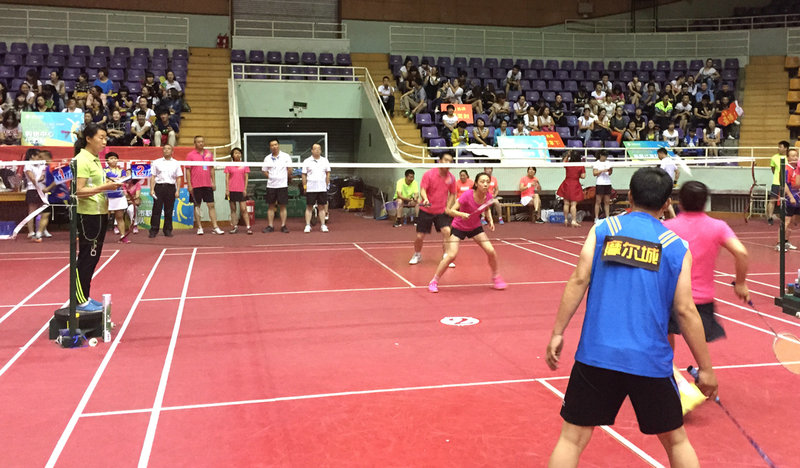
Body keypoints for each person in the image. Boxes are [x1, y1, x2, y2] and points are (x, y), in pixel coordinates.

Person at [545, 167, 718, 468]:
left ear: (629, 195)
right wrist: (706, 368)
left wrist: (558, 332)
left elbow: (579, 280)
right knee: (676, 441)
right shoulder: (676, 246)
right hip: (649, 360)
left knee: (571, 439)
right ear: (666, 204)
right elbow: (685, 310)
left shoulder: (603, 230)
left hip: (597, 355)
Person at [664, 181, 750, 350]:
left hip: (671, 297)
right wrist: (740, 283)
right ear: (705, 203)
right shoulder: (718, 226)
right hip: (702, 300)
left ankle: (669, 365)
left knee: (665, 336)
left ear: (680, 202)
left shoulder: (666, 227)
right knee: (699, 346)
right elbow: (742, 253)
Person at [428, 172, 507, 293]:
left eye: (487, 181)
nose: (485, 184)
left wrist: (490, 219)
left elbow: (486, 208)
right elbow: (450, 211)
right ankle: (434, 281)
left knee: (491, 251)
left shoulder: (488, 196)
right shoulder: (467, 195)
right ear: (476, 183)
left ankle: (496, 277)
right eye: (482, 181)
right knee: (451, 255)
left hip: (475, 227)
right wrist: (461, 214)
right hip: (459, 227)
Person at [73, 124, 123, 311]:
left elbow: (94, 185)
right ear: (88, 139)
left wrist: (109, 183)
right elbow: (78, 191)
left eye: (105, 138)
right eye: (100, 137)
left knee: (93, 258)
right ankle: (79, 300)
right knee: (87, 257)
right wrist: (105, 187)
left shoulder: (95, 159)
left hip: (100, 212)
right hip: (88, 215)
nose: (104, 141)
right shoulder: (81, 160)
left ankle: (84, 296)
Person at [409, 152, 457, 267]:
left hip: (441, 211)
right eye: (446, 160)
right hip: (426, 210)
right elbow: (423, 189)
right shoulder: (429, 174)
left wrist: (448, 207)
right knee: (420, 236)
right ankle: (417, 254)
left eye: (450, 161)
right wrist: (425, 199)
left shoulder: (451, 178)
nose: (448, 163)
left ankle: (446, 255)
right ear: (439, 161)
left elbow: (452, 193)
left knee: (447, 231)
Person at [186, 135, 224, 235]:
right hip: (196, 185)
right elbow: (188, 171)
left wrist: (213, 182)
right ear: (195, 143)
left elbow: (211, 168)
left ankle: (215, 227)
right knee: (197, 206)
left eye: (202, 141)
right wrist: (189, 185)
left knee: (211, 205)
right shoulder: (190, 155)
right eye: (198, 142)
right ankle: (199, 227)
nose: (201, 143)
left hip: (207, 184)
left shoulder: (209, 154)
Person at [148, 144, 183, 238]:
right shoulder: (156, 162)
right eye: (165, 149)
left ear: (172, 151)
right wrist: (152, 189)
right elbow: (153, 176)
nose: (166, 150)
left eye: (169, 149)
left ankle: (167, 230)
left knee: (169, 210)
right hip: (159, 187)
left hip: (170, 188)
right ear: (162, 151)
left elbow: (178, 178)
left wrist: (178, 190)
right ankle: (153, 230)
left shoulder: (176, 163)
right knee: (156, 209)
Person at [261, 138, 293, 233]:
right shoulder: (267, 158)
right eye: (272, 145)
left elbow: (290, 169)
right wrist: (271, 177)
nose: (274, 147)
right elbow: (264, 170)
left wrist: (284, 178)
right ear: (270, 147)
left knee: (282, 206)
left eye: (275, 144)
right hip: (271, 185)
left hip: (282, 185)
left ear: (278, 145)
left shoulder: (286, 156)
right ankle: (270, 226)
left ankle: (283, 226)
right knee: (271, 206)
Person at [302, 143, 331, 233]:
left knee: (321, 207)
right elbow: (304, 174)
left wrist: (327, 184)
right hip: (311, 188)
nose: (317, 150)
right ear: (312, 150)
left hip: (322, 188)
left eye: (319, 149)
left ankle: (323, 225)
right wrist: (305, 186)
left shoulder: (325, 160)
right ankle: (307, 225)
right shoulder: (307, 161)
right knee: (309, 207)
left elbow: (328, 173)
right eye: (315, 149)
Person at [223, 147, 251, 234]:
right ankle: (234, 227)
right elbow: (227, 178)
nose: (237, 155)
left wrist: (245, 189)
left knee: (243, 209)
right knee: (233, 209)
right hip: (231, 190)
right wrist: (227, 189)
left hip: (241, 190)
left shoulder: (244, 165)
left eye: (239, 153)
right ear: (232, 155)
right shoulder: (229, 165)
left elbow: (246, 178)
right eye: (235, 153)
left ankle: (248, 227)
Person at [104, 153, 130, 243]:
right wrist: (113, 180)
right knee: (104, 218)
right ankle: (98, 237)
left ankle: (122, 237)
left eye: (115, 158)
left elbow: (124, 181)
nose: (114, 160)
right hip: (107, 196)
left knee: (119, 217)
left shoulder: (122, 171)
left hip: (119, 196)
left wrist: (115, 180)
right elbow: (104, 181)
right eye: (111, 158)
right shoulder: (104, 171)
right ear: (107, 161)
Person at [557, 151, 586, 227]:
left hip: (566, 183)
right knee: (573, 204)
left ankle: (566, 219)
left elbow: (563, 162)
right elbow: (583, 176)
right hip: (575, 184)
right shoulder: (581, 165)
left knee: (566, 203)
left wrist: (567, 155)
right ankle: (573, 220)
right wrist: (577, 175)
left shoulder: (568, 164)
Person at [778, 148, 800, 251]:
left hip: (797, 198)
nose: (795, 157)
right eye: (792, 156)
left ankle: (786, 241)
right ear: (788, 158)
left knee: (793, 221)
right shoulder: (786, 169)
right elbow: (784, 184)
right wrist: (790, 196)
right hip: (788, 198)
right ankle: (779, 243)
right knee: (786, 221)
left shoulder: (797, 169)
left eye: (796, 155)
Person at [23, 150, 46, 240]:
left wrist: (44, 177)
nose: (40, 158)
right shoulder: (27, 165)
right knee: (32, 212)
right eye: (38, 156)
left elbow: (45, 174)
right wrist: (38, 180)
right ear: (32, 156)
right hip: (32, 189)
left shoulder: (42, 164)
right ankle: (31, 232)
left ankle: (40, 231)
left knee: (42, 211)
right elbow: (32, 178)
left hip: (42, 189)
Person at [768, 141, 790, 225]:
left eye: (780, 147)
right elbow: (773, 169)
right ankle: (770, 217)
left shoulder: (789, 158)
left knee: (787, 200)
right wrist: (778, 177)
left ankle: (787, 217)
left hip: (787, 183)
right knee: (772, 200)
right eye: (779, 146)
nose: (778, 148)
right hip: (776, 182)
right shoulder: (774, 157)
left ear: (785, 148)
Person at [657, 147, 679, 219]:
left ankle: (673, 216)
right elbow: (677, 172)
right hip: (670, 183)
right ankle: (662, 215)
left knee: (663, 199)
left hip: (664, 183)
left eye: (658, 155)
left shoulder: (664, 161)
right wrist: (675, 182)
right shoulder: (671, 160)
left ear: (661, 153)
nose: (658, 157)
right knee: (663, 199)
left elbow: (661, 172)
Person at [592, 150, 613, 222]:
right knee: (598, 201)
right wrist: (602, 170)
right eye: (604, 156)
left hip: (607, 183)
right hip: (600, 183)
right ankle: (596, 217)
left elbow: (610, 173)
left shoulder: (608, 163)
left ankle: (607, 217)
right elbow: (594, 173)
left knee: (607, 201)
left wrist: (609, 170)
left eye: (606, 156)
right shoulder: (596, 163)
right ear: (601, 155)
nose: (605, 158)